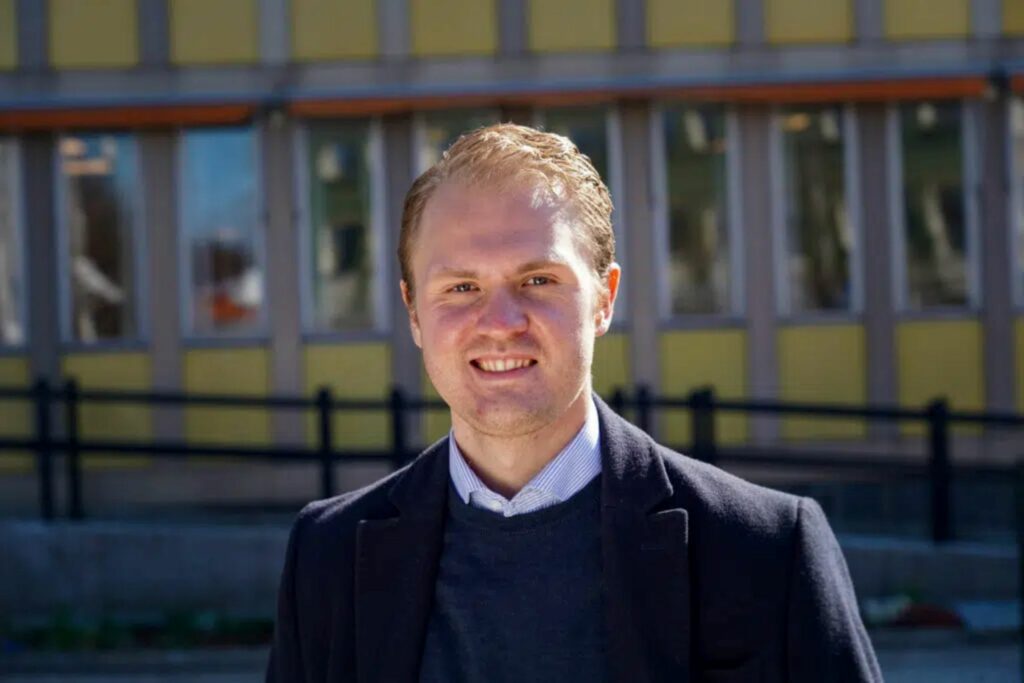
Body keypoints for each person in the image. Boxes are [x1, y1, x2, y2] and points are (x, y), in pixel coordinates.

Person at [266, 123, 882, 682]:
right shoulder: (329, 556)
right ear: (413, 312)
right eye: (462, 286)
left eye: (538, 280)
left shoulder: (765, 552)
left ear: (604, 299)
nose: (500, 322)